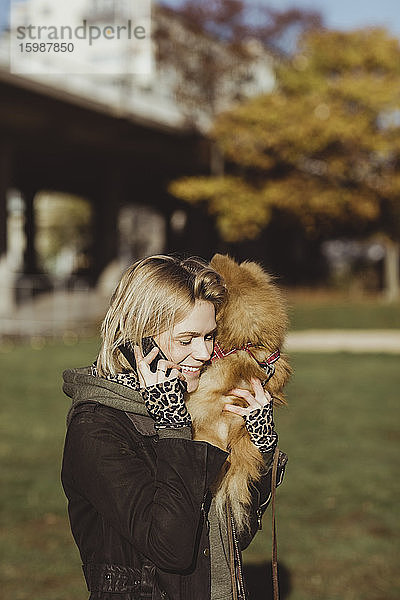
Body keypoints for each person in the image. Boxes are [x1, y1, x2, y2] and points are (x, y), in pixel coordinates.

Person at [61, 254, 285, 600]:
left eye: (210, 337)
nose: (204, 353)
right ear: (139, 338)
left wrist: (260, 451)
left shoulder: (186, 409)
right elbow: (173, 548)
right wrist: (172, 425)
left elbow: (230, 540)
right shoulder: (98, 427)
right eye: (186, 339)